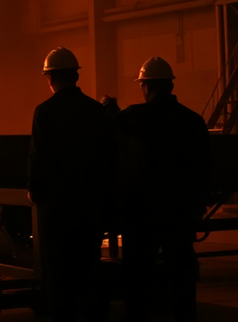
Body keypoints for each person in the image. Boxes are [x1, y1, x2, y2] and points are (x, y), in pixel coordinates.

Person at [101, 57, 210, 322]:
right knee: (181, 264)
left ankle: (137, 313)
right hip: (180, 209)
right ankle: (185, 313)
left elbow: (109, 125)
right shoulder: (193, 120)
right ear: (170, 85)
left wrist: (108, 106)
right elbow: (205, 166)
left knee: (138, 265)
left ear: (146, 87)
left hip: (142, 210)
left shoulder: (136, 116)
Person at [28, 47, 111, 322]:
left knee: (58, 272)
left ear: (49, 78)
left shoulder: (44, 112)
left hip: (57, 209)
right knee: (89, 265)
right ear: (76, 76)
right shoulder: (96, 111)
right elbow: (107, 157)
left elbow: (38, 159)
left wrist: (36, 193)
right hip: (90, 207)